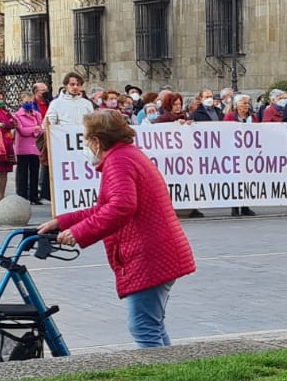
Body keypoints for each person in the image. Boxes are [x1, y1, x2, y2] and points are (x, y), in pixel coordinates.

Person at [40, 111, 195, 349]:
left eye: (86, 138)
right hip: (155, 251)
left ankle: (161, 378)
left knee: (143, 326)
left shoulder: (118, 161)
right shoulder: (125, 156)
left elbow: (121, 207)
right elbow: (107, 206)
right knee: (151, 324)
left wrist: (79, 232)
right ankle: (169, 372)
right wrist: (64, 221)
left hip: (147, 254)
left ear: (97, 140)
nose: (85, 144)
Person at [12, 93, 44, 203]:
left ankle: (34, 196)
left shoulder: (37, 115)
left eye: (30, 102)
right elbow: (22, 131)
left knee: (35, 171)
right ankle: (22, 195)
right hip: (23, 147)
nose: (28, 104)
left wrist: (35, 130)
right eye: (26, 102)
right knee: (22, 172)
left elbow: (42, 129)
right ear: (20, 102)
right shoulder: (16, 116)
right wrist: (35, 129)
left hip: (35, 147)